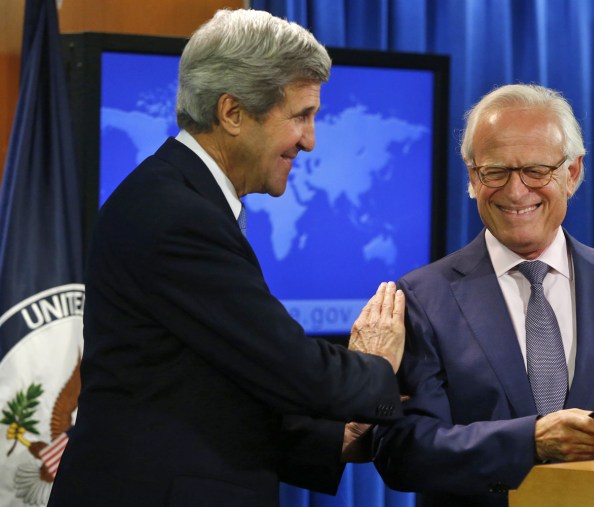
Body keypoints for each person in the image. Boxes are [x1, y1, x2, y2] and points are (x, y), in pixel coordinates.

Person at [48, 9, 405, 507]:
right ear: (233, 113)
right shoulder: (174, 214)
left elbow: (209, 386)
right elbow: (287, 365)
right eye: (300, 116)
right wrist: (377, 366)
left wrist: (331, 441)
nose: (310, 140)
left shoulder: (179, 198)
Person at [372, 84, 594, 506]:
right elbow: (403, 452)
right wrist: (530, 442)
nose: (516, 192)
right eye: (495, 172)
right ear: (472, 176)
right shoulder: (423, 297)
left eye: (536, 171)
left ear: (572, 173)